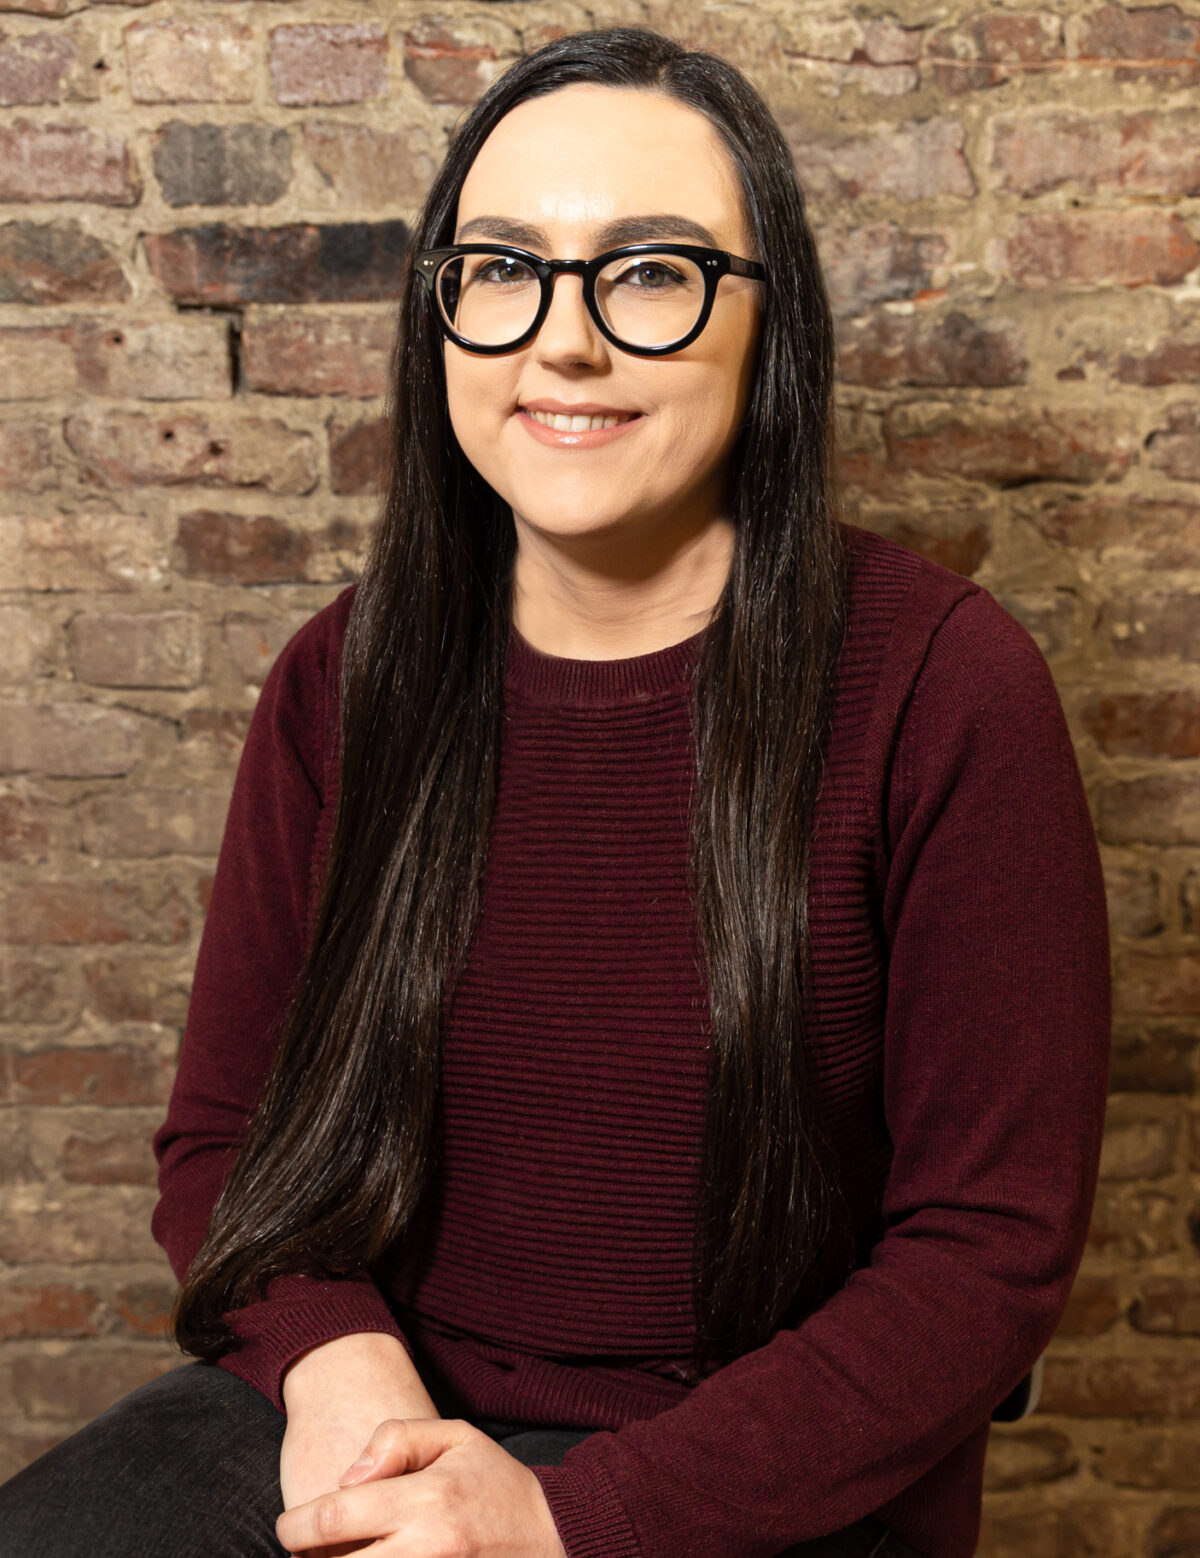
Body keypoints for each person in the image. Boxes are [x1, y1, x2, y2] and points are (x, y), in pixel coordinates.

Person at [0, 24, 1111, 1558]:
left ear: (766, 320)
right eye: (503, 269)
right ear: (441, 315)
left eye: (648, 273)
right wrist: (343, 1372)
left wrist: (561, 1521)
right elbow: (225, 1143)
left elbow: (986, 1255)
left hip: (750, 1471)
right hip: (382, 1413)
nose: (562, 341)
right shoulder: (344, 679)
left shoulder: (947, 691)